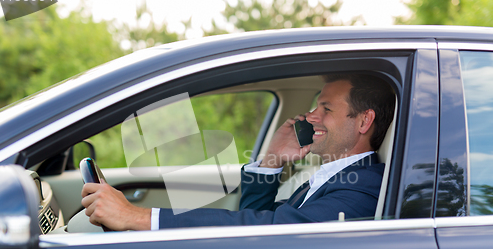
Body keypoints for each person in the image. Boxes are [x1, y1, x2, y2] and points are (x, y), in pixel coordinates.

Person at [81, 74, 396, 231]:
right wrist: (272, 159)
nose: (311, 116)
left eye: (325, 108)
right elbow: (266, 217)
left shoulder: (364, 186)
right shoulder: (331, 175)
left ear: (364, 120)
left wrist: (136, 216)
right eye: (315, 105)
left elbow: (266, 230)